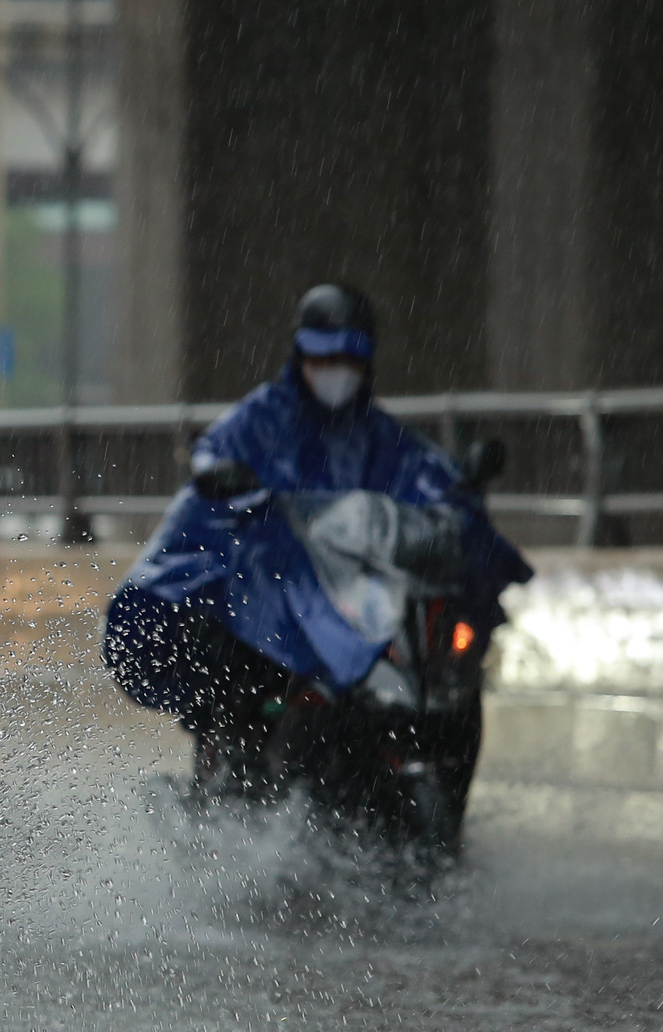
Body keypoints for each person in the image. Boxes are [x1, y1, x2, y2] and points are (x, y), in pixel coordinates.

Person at [102, 283, 531, 780]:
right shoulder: (262, 420)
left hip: (361, 608)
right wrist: (228, 485)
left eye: (351, 355)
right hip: (274, 610)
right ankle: (238, 757)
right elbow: (213, 463)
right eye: (324, 354)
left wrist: (459, 495)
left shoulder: (383, 439)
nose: (336, 369)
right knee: (226, 656)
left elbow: (430, 485)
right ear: (301, 351)